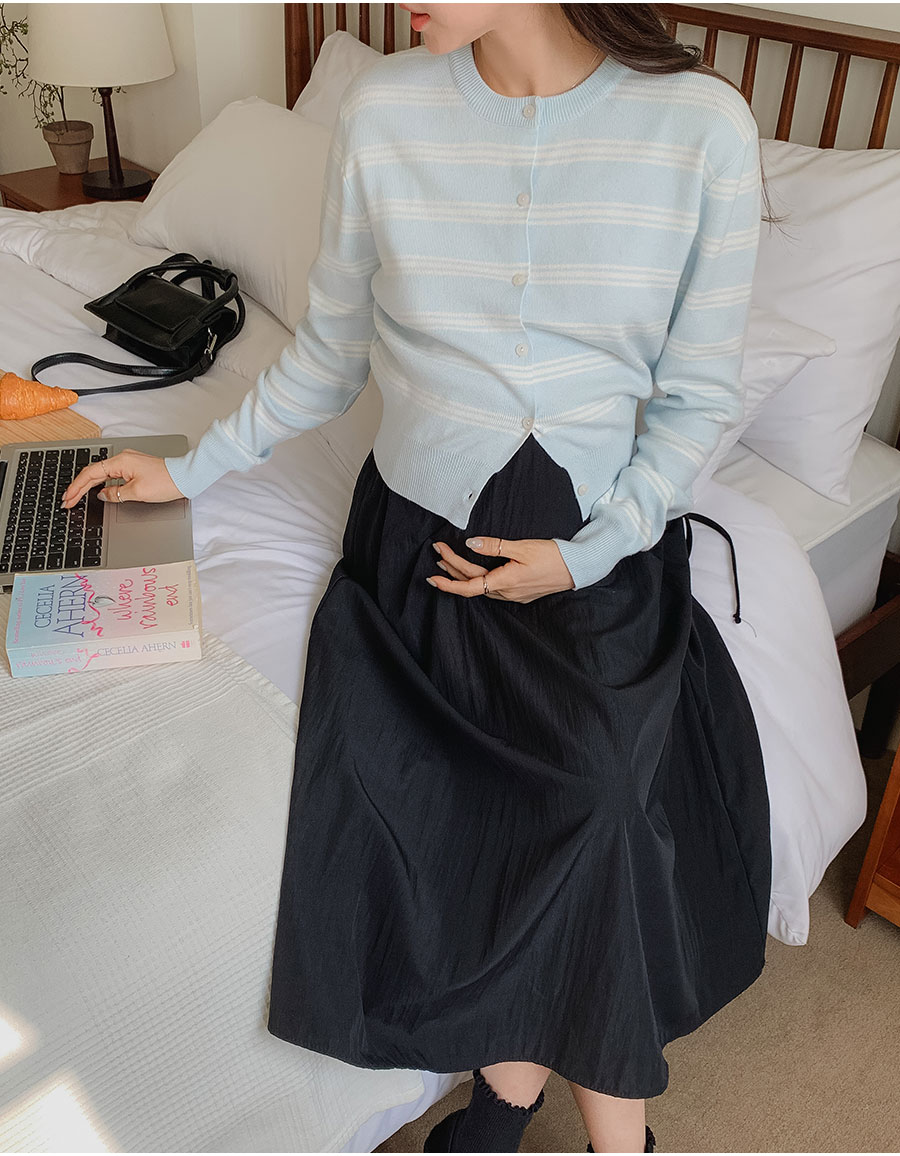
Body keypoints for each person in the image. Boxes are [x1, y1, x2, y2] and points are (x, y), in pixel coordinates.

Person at [61, 4, 776, 1151]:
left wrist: (583, 555)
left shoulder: (702, 129)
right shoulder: (384, 111)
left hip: (598, 562)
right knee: (463, 818)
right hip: (417, 561)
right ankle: (511, 1096)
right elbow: (327, 358)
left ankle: (602, 1133)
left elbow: (697, 402)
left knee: (596, 806)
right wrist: (190, 469)